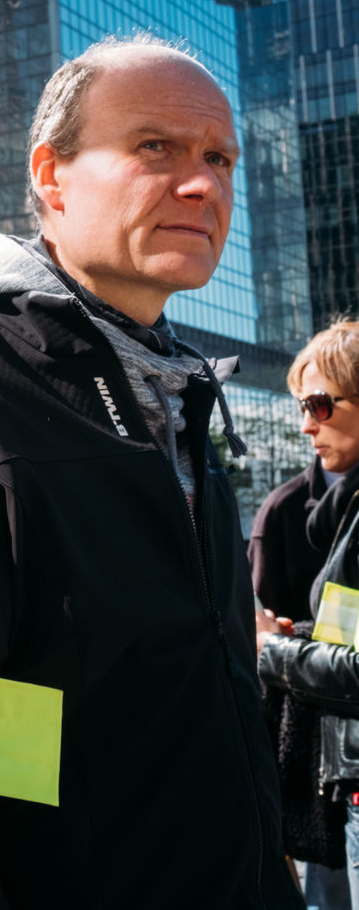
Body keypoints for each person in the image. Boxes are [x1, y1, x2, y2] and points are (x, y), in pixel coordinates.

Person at [0, 37, 299, 908]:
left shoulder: (184, 405)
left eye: (219, 158)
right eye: (155, 147)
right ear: (52, 176)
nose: (202, 184)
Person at [251, 324, 359, 908]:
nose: (305, 424)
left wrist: (274, 650)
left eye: (319, 404)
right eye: (301, 407)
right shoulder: (308, 507)